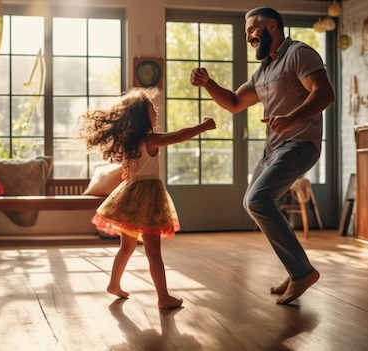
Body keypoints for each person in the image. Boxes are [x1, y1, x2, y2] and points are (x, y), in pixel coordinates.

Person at [190, 7, 335, 305]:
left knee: (258, 200)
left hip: (299, 144)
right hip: (274, 149)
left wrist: (293, 118)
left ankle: (302, 272)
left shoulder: (299, 54)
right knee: (253, 203)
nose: (248, 37)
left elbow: (324, 94)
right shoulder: (264, 71)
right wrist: (208, 83)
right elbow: (232, 102)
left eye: (252, 29)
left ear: (272, 26)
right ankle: (299, 270)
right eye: (245, 33)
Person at [78, 87, 216, 309]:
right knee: (153, 251)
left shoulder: (129, 143)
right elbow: (179, 136)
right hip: (148, 200)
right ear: (143, 117)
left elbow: (130, 170)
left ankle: (114, 284)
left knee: (126, 247)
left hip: (129, 197)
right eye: (153, 109)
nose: (157, 112)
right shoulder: (150, 140)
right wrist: (203, 126)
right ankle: (163, 297)